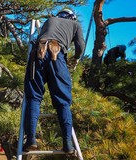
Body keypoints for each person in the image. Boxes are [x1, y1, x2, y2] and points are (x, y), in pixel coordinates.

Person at [23, 8, 85, 156]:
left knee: (34, 97)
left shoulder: (49, 20)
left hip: (38, 54)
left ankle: (31, 140)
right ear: (72, 17)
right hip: (57, 56)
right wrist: (75, 59)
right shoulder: (75, 25)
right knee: (63, 102)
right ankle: (68, 144)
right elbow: (81, 47)